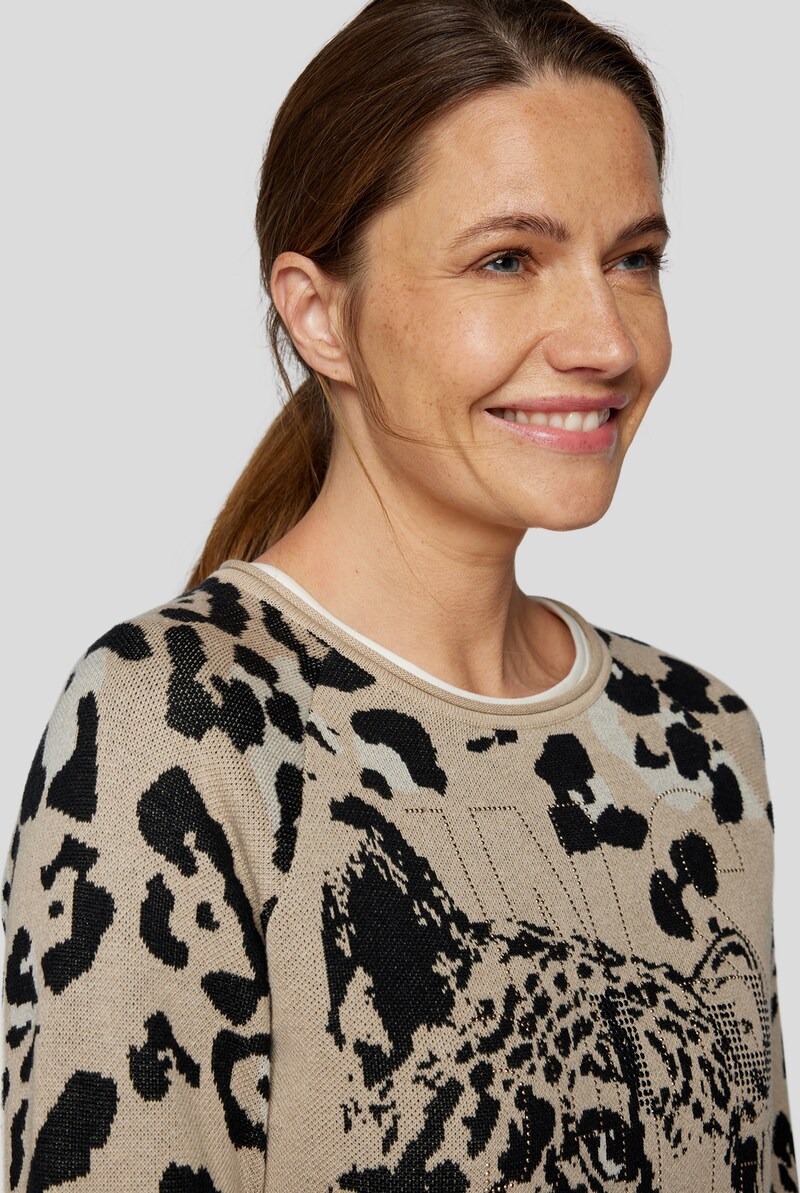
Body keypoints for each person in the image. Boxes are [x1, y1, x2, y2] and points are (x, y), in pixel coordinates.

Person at [2, 0, 795, 1188]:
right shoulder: (181, 724)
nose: (605, 339)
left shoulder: (699, 742)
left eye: (632, 259)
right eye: (507, 260)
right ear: (320, 313)